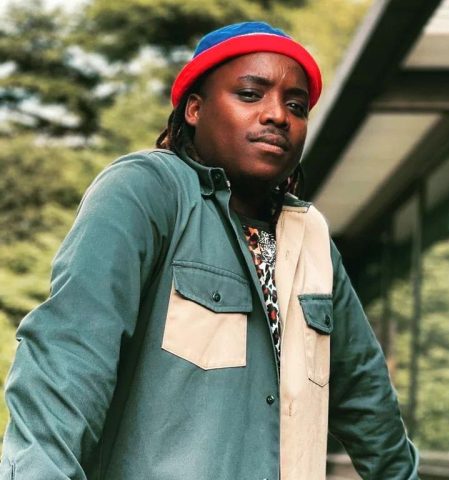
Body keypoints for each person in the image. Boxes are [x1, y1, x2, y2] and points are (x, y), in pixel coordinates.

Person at [0, 22, 419, 480]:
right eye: (250, 94)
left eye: (296, 106)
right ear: (195, 109)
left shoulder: (312, 238)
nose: (277, 115)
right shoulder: (147, 192)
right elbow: (68, 358)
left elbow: (366, 397)